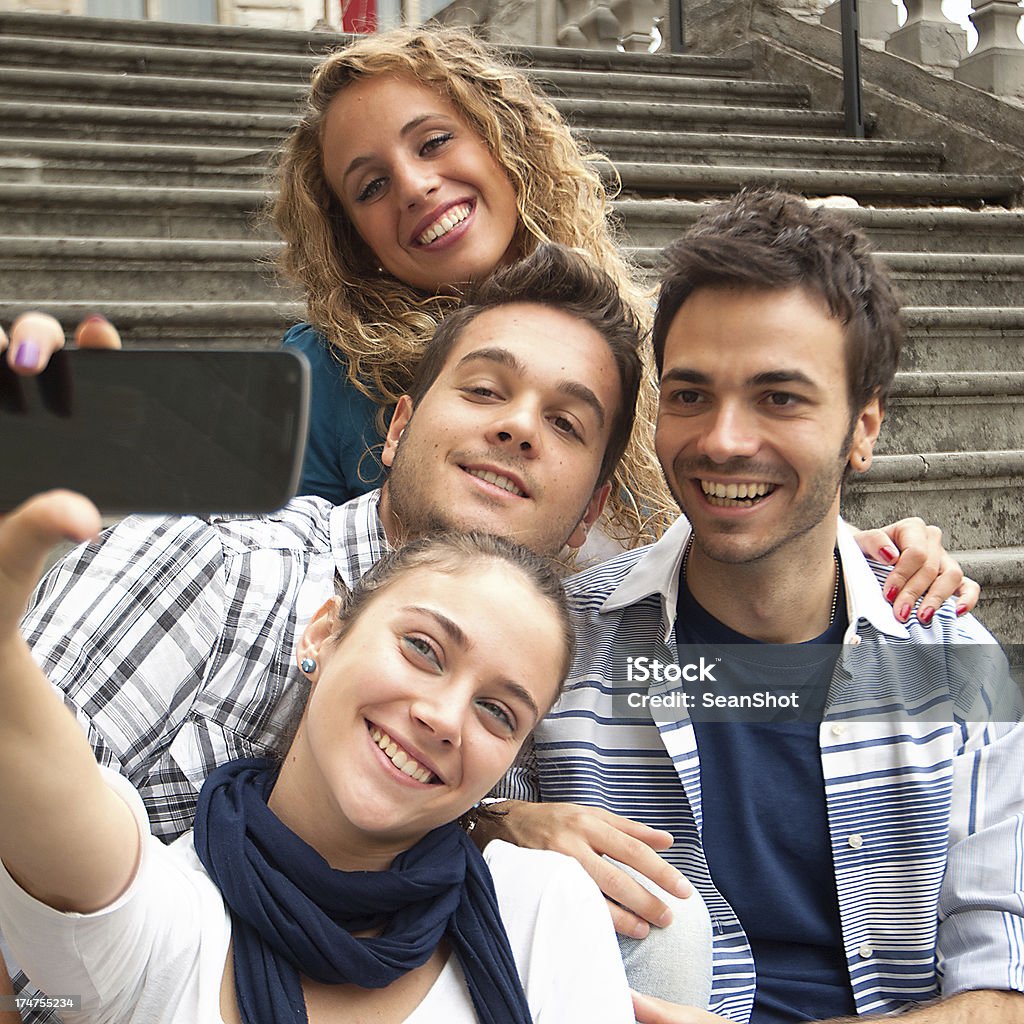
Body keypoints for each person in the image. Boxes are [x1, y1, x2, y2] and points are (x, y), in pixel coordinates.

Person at [0, 246, 976, 1019]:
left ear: (593, 506)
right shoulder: (218, 566)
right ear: (394, 426)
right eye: (483, 389)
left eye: (565, 422)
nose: (517, 426)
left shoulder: (568, 651)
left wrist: (852, 550)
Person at [487, 190, 1024, 1023]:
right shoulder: (562, 640)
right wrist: (497, 829)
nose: (724, 440)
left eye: (781, 398)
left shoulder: (958, 666)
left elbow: (1001, 998)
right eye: (692, 394)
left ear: (863, 429)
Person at [0, 497, 638, 1022]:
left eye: (499, 712)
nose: (445, 718)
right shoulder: (167, 918)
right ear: (324, 634)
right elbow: (49, 788)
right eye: (423, 648)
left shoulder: (544, 905)